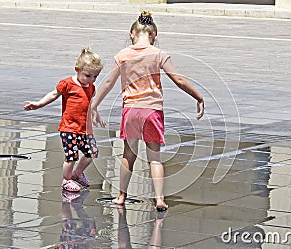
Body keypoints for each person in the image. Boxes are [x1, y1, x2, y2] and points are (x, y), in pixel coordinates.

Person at [91, 11, 204, 211]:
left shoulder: (123, 55)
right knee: (155, 158)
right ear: (154, 36)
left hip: (131, 111)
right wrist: (198, 96)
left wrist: (94, 105)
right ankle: (160, 199)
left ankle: (121, 195)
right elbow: (178, 79)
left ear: (132, 33)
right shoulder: (158, 54)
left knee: (128, 154)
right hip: (152, 111)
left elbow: (108, 82)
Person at [24, 47, 105, 192]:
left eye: (95, 77)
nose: (91, 80)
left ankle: (77, 173)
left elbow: (92, 104)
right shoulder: (67, 84)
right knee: (71, 157)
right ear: (77, 69)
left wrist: (96, 115)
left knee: (92, 152)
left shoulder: (91, 87)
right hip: (69, 128)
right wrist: (38, 104)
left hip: (84, 129)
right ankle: (66, 180)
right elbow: (53, 94)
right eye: (88, 75)